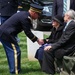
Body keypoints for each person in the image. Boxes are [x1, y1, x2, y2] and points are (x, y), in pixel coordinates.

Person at [0, 3, 44, 74]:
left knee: (11, 52)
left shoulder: (24, 14)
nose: (38, 17)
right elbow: (28, 32)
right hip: (7, 34)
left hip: (4, 33)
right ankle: (15, 71)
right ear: (33, 12)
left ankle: (14, 70)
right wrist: (37, 40)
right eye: (38, 14)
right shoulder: (25, 17)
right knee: (15, 52)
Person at [42, 9, 75, 75]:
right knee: (47, 50)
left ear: (68, 16)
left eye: (64, 16)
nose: (64, 17)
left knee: (48, 51)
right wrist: (53, 45)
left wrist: (52, 46)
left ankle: (50, 72)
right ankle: (51, 70)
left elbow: (65, 39)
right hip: (65, 46)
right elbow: (62, 39)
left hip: (68, 48)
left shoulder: (72, 24)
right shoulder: (68, 24)